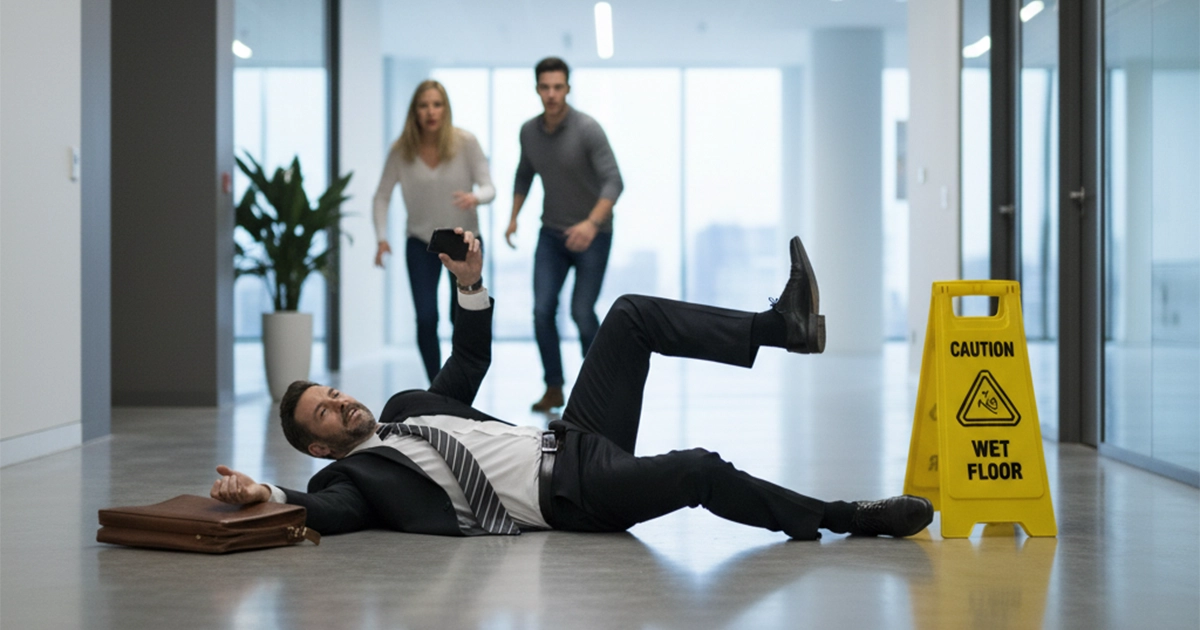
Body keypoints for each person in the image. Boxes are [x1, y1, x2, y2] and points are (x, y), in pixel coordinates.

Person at [211, 230, 934, 541]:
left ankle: (786, 328)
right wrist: (266, 497)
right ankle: (849, 517)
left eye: (331, 393)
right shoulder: (356, 483)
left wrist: (470, 286)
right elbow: (325, 517)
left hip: (571, 436)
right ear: (318, 446)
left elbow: (467, 363)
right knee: (699, 471)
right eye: (325, 414)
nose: (339, 403)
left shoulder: (403, 409)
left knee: (627, 316)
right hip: (571, 497)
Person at [505, 57, 624, 412]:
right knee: (542, 310)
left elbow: (614, 181)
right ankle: (553, 388)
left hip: (594, 234)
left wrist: (590, 224)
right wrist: (513, 218)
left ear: (568, 88)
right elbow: (524, 174)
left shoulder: (588, 129)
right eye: (545, 87)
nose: (552, 94)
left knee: (581, 311)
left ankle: (604, 385)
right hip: (552, 235)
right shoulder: (528, 131)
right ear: (537, 89)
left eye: (558, 87)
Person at [373, 79, 495, 383]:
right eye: (424, 105)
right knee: (426, 318)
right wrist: (381, 238)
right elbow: (382, 195)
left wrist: (475, 197)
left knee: (461, 316)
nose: (431, 112)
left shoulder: (466, 142)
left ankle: (460, 381)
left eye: (437, 104)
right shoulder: (401, 150)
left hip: (464, 241)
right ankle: (437, 385)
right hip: (421, 242)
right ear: (415, 111)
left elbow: (489, 187)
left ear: (446, 109)